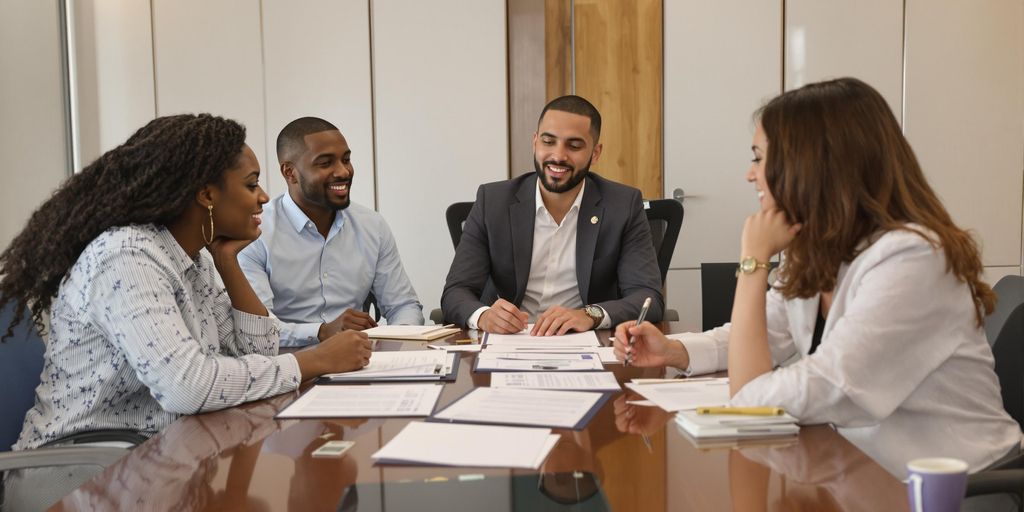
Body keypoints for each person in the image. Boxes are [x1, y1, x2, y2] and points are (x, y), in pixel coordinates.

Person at [614, 77, 1021, 476]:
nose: (750, 175)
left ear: (810, 164)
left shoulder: (911, 261)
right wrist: (674, 351)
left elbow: (800, 389)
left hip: (958, 489)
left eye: (758, 157)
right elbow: (762, 336)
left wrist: (753, 261)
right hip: (865, 473)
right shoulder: (818, 248)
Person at [0, 114, 372, 453]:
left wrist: (228, 262)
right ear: (207, 195)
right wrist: (315, 359)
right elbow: (187, 386)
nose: (262, 198)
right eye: (251, 184)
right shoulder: (127, 257)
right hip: (82, 470)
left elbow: (257, 351)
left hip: (158, 455)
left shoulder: (193, 256)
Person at [441, 95, 663, 336]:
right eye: (549, 141)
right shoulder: (493, 201)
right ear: (535, 142)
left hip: (584, 343)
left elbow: (647, 296)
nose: (558, 156)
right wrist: (483, 316)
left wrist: (590, 315)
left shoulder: (623, 205)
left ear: (595, 153)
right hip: (509, 342)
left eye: (574, 146)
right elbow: (456, 291)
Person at [239, 117, 423, 347]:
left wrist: (400, 343)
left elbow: (403, 305)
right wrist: (321, 332)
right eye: (326, 164)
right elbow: (257, 328)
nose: (343, 171)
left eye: (346, 159)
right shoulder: (254, 231)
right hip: (291, 370)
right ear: (290, 173)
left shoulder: (371, 226)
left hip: (360, 364)